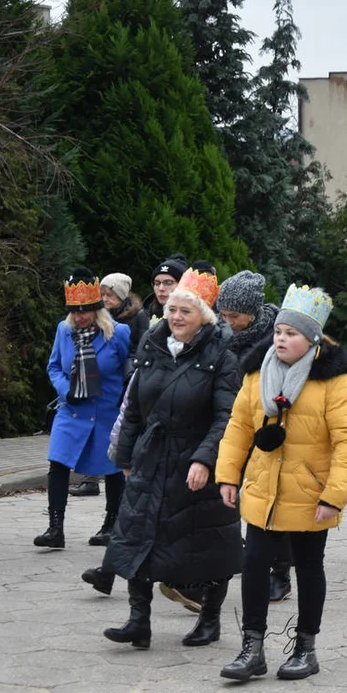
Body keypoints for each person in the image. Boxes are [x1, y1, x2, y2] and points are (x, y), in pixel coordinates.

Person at [216, 284, 347, 682]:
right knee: (253, 563)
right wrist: (228, 475)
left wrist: (334, 497)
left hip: (311, 493)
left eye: (291, 333)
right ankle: (252, 648)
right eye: (279, 331)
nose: (281, 339)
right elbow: (238, 427)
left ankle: (305, 648)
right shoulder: (255, 374)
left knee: (309, 567)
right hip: (263, 490)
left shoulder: (336, 382)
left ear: (312, 339)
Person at [102, 268, 244, 650]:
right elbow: (134, 406)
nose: (176, 317)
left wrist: (204, 459)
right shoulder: (153, 343)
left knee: (206, 544)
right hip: (152, 456)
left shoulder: (222, 356)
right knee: (137, 534)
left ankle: (210, 619)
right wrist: (127, 453)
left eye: (186, 311)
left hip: (196, 462)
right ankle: (138, 621)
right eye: (173, 309)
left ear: (204, 317)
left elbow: (226, 416)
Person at [36, 269, 131, 549]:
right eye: (74, 311)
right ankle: (55, 529)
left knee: (112, 468)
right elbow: (53, 366)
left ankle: (111, 525)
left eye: (85, 311)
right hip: (72, 409)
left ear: (97, 308)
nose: (79, 317)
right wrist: (66, 390)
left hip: (106, 411)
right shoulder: (64, 331)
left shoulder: (119, 333)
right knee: (58, 462)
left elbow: (131, 370)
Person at [216, 269, 292, 603]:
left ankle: (280, 571)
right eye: (223, 315)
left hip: (270, 432)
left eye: (234, 316)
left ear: (252, 312)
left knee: (273, 503)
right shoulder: (222, 338)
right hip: (235, 426)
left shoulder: (275, 340)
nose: (227, 321)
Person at [65, 272, 150, 500]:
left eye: (110, 294)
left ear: (121, 296)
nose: (105, 298)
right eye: (102, 294)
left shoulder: (136, 317)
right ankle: (89, 479)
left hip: (121, 383)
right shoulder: (95, 318)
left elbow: (136, 348)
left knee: (113, 435)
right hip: (92, 384)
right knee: (92, 434)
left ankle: (119, 488)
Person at [142, 253, 187, 325]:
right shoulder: (143, 316)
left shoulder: (197, 318)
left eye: (168, 283)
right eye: (157, 283)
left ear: (183, 285)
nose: (161, 288)